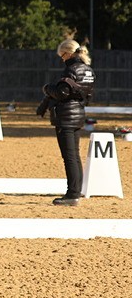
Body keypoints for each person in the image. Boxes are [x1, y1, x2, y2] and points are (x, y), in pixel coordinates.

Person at [36, 39, 95, 206]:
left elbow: (62, 92)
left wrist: (48, 88)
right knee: (75, 156)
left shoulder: (71, 69)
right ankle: (75, 191)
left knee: (69, 157)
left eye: (62, 55)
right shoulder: (89, 70)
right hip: (78, 115)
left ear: (68, 53)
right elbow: (88, 95)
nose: (61, 59)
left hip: (66, 117)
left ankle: (72, 194)